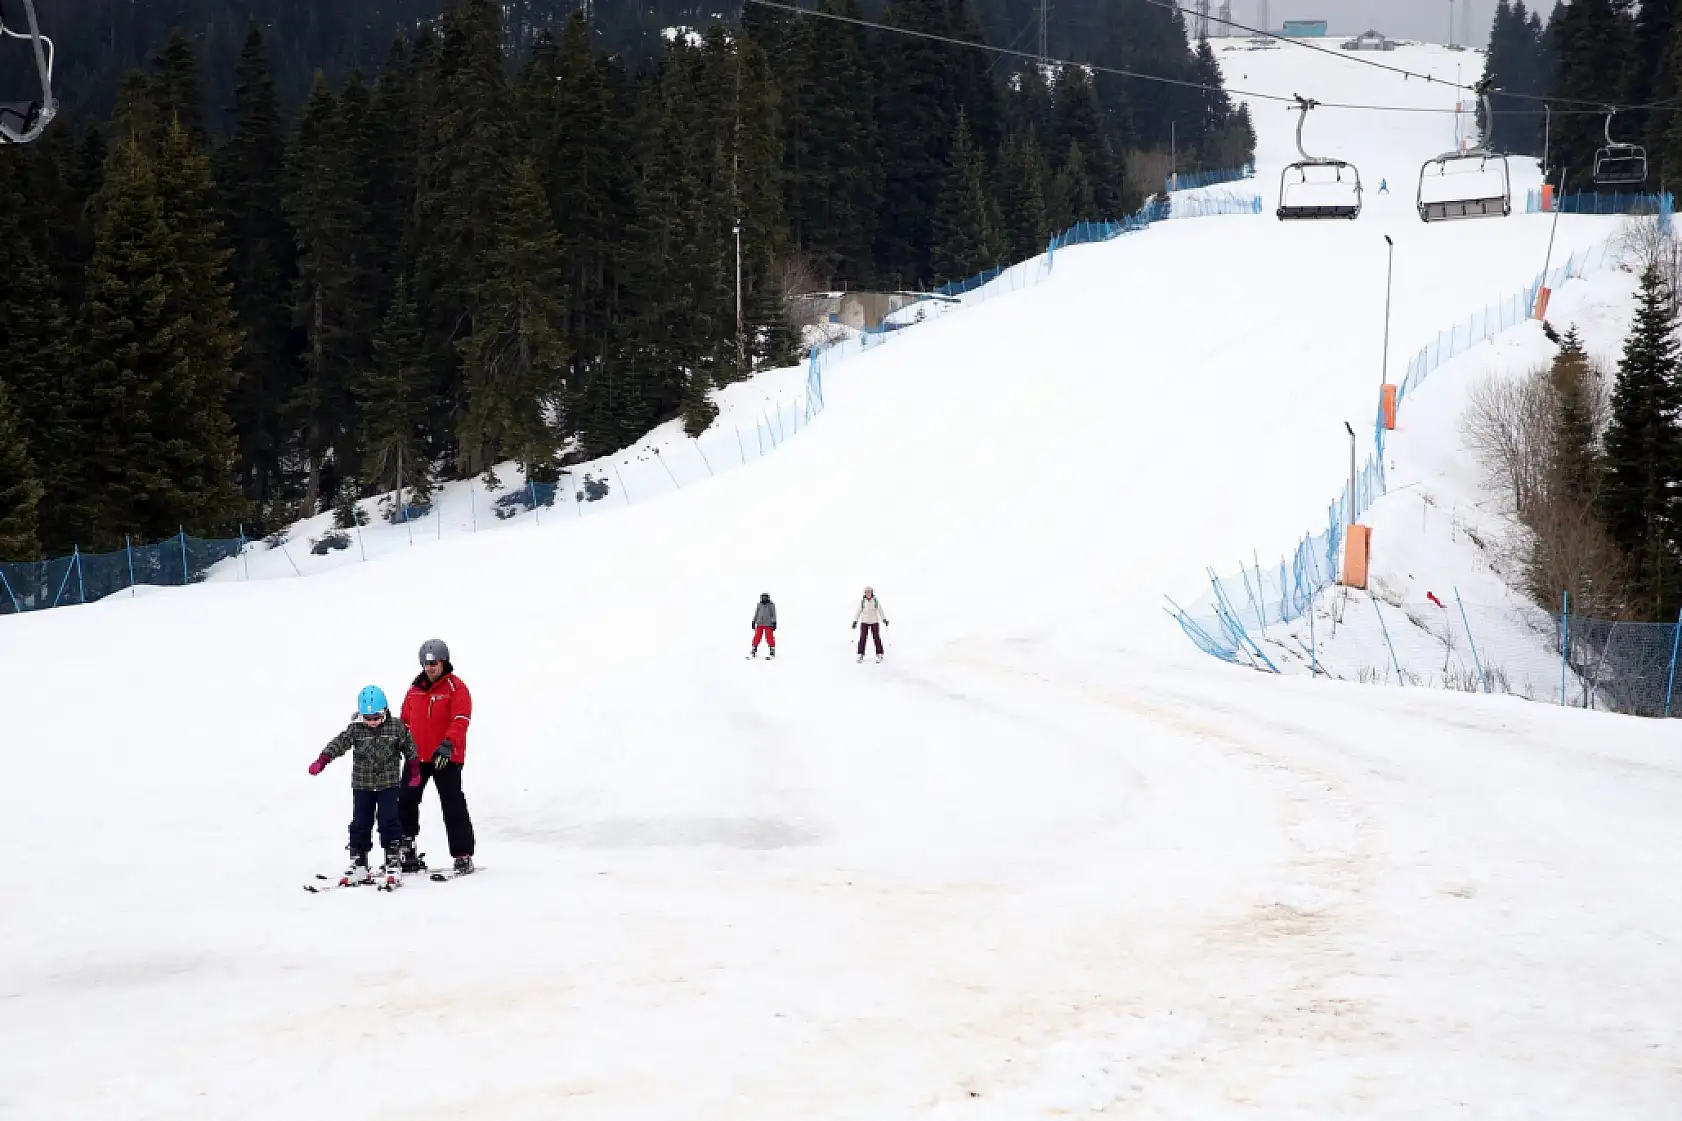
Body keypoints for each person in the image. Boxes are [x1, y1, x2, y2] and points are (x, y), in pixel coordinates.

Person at [309, 685, 420, 887]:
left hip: (388, 784)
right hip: (363, 784)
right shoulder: (355, 729)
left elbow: (410, 747)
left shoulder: (396, 727)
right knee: (360, 822)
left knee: (389, 821)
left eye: (376, 717)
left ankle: (393, 860)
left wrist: (414, 770)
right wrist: (323, 759)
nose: (372, 722)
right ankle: (359, 863)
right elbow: (339, 742)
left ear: (385, 710)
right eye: (367, 718)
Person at [399, 638, 476, 875]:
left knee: (452, 803)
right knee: (406, 801)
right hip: (417, 758)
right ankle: (406, 848)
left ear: (444, 662)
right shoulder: (414, 691)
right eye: (426, 663)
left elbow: (461, 718)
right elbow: (404, 721)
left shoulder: (456, 687)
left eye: (434, 663)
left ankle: (463, 854)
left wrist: (448, 744)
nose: (430, 667)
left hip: (445, 757)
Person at [853, 586, 889, 662]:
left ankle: (879, 653)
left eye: (869, 592)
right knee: (862, 638)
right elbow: (858, 612)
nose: (868, 593)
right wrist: (855, 621)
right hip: (864, 621)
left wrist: (884, 619)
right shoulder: (863, 601)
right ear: (865, 593)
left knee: (876, 637)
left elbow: (880, 610)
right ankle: (860, 654)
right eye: (866, 592)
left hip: (874, 621)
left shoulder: (875, 601)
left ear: (872, 593)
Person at [750, 593, 777, 658]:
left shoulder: (771, 605)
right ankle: (754, 648)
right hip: (759, 623)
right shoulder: (759, 605)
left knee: (769, 637)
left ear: (768, 598)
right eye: (763, 597)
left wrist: (774, 622)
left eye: (765, 597)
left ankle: (772, 649)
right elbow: (756, 613)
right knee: (757, 636)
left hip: (768, 624)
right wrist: (753, 621)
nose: (764, 599)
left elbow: (774, 614)